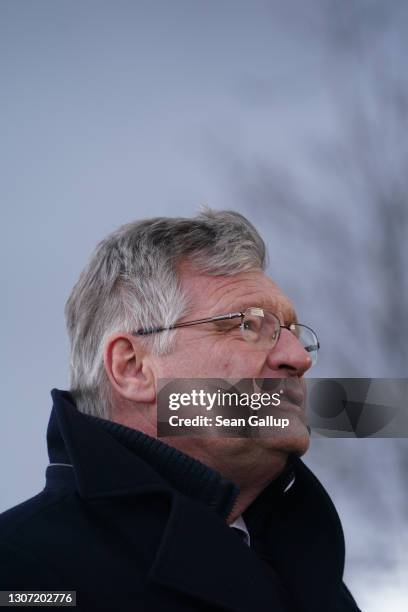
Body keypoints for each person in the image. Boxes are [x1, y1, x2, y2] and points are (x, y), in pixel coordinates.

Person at [0, 209, 361, 611]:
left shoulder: (319, 583)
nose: (297, 358)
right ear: (133, 368)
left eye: (294, 333)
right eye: (248, 326)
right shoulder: (20, 573)